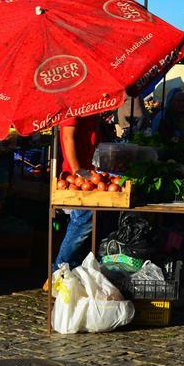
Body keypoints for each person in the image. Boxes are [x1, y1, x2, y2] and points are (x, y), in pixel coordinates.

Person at [50, 113, 102, 285]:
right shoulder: (74, 107)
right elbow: (67, 137)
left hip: (88, 173)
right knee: (82, 221)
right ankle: (57, 270)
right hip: (77, 176)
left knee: (82, 222)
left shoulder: (91, 106)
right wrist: (79, 171)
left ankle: (69, 272)